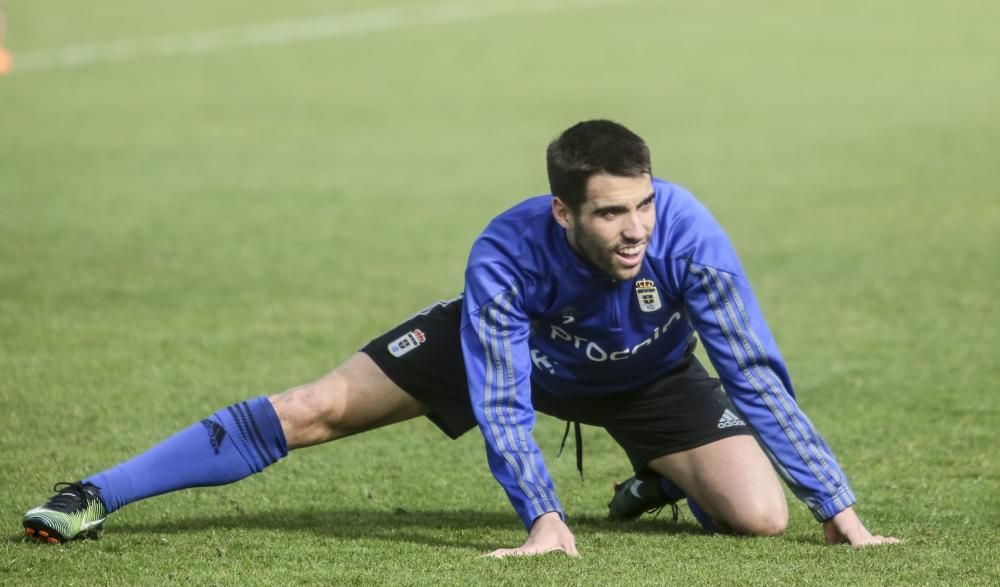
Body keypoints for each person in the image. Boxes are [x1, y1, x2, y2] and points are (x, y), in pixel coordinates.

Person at [22, 120, 898, 554]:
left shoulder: (688, 235)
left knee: (758, 516)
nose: (635, 230)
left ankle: (662, 477)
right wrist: (543, 517)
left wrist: (842, 513)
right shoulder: (507, 254)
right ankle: (96, 491)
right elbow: (502, 395)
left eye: (644, 206)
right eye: (610, 212)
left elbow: (751, 370)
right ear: (564, 212)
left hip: (649, 375)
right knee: (315, 408)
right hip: (509, 353)